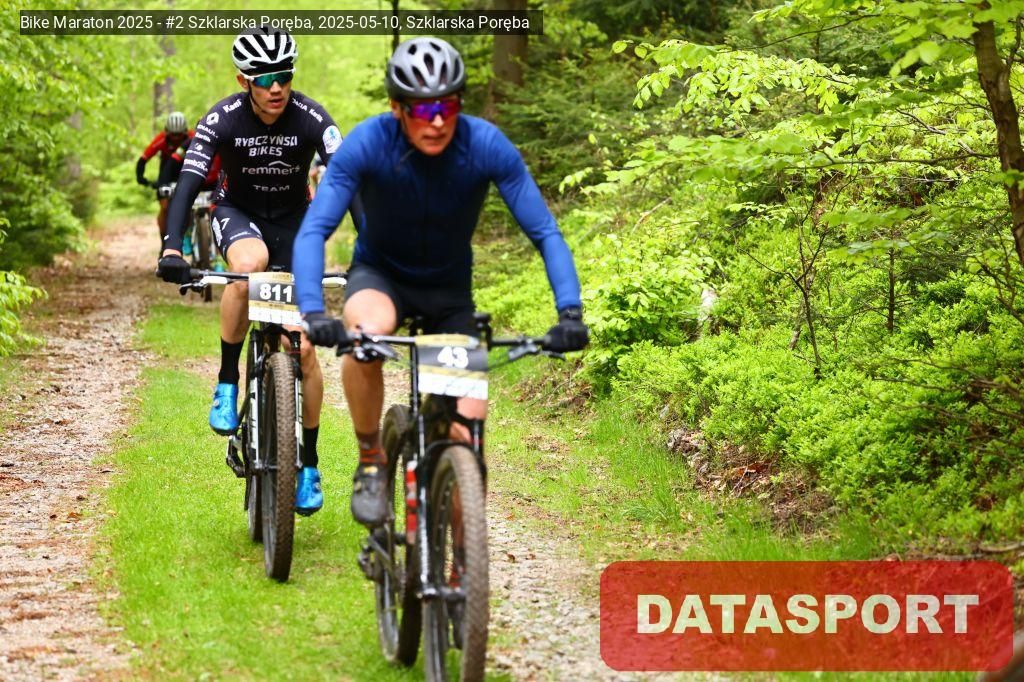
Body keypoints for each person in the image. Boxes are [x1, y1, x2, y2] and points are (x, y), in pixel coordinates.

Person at [293, 37, 589, 526]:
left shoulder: (485, 145)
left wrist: (570, 311)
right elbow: (315, 229)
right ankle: (371, 459)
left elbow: (544, 232)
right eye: (422, 108)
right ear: (396, 108)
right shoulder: (368, 143)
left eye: (447, 106)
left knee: (466, 438)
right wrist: (312, 310)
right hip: (381, 278)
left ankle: (461, 561)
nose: (436, 121)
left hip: (449, 295)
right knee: (364, 336)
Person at [156, 26, 348, 515]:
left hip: (295, 223)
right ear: (244, 80)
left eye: (284, 76)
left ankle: (309, 463)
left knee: (304, 347)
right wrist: (172, 248)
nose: (276, 87)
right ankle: (227, 382)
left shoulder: (312, 118)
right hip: (237, 213)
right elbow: (188, 182)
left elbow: (349, 181)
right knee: (247, 266)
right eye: (264, 79)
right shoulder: (221, 118)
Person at [136, 111, 193, 251]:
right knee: (165, 207)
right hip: (167, 174)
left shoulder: (192, 137)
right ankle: (164, 242)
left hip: (187, 170)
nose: (176, 138)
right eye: (173, 135)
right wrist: (141, 177)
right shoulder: (161, 139)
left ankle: (192, 234)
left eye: (179, 135)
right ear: (167, 132)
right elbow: (143, 158)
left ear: (185, 132)